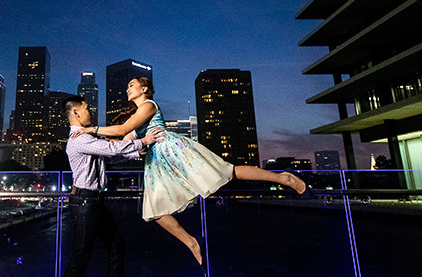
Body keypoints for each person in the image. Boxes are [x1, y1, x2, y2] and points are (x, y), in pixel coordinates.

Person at [72, 76, 306, 264]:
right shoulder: (137, 114)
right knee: (155, 211)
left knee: (228, 172)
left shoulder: (148, 106)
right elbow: (122, 141)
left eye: (131, 85)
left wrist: (91, 130)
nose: (127, 89)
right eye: (127, 87)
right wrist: (94, 141)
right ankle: (191, 242)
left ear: (145, 88)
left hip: (176, 153)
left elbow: (125, 128)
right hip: (157, 162)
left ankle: (284, 178)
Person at [50, 95, 165, 277]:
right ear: (76, 114)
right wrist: (141, 141)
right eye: (86, 108)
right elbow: (110, 148)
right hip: (84, 202)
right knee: (80, 259)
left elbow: (108, 156)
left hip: (94, 201)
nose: (90, 110)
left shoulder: (88, 138)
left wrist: (136, 152)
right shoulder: (78, 138)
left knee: (116, 246)